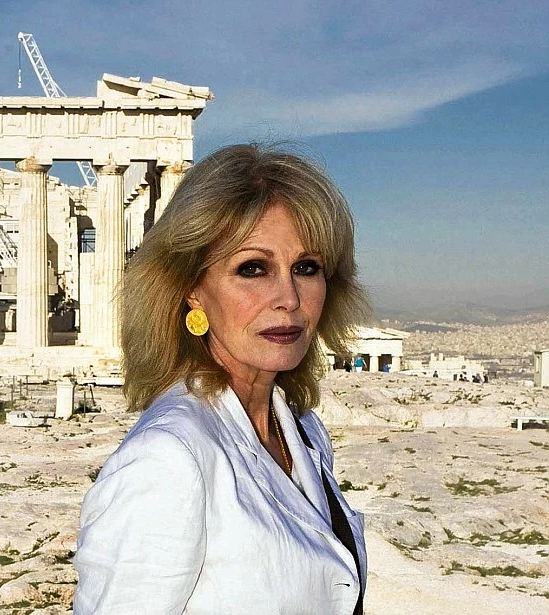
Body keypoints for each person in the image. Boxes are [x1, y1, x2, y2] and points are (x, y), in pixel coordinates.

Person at [73, 144, 369, 614]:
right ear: (191, 289)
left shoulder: (303, 429)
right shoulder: (168, 459)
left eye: (306, 268)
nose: (288, 298)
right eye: (253, 269)